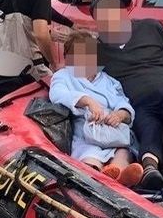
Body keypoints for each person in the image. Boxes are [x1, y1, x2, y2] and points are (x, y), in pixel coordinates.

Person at [93, 0, 163, 193]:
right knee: (146, 125)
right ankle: (150, 170)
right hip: (141, 103)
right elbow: (82, 76)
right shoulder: (99, 49)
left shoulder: (152, 27)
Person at [49, 30, 144, 187]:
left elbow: (123, 103)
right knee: (90, 155)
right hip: (85, 133)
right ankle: (94, 175)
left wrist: (120, 115)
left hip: (113, 133)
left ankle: (119, 176)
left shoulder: (108, 81)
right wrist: (87, 101)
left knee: (123, 151)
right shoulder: (63, 76)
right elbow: (57, 94)